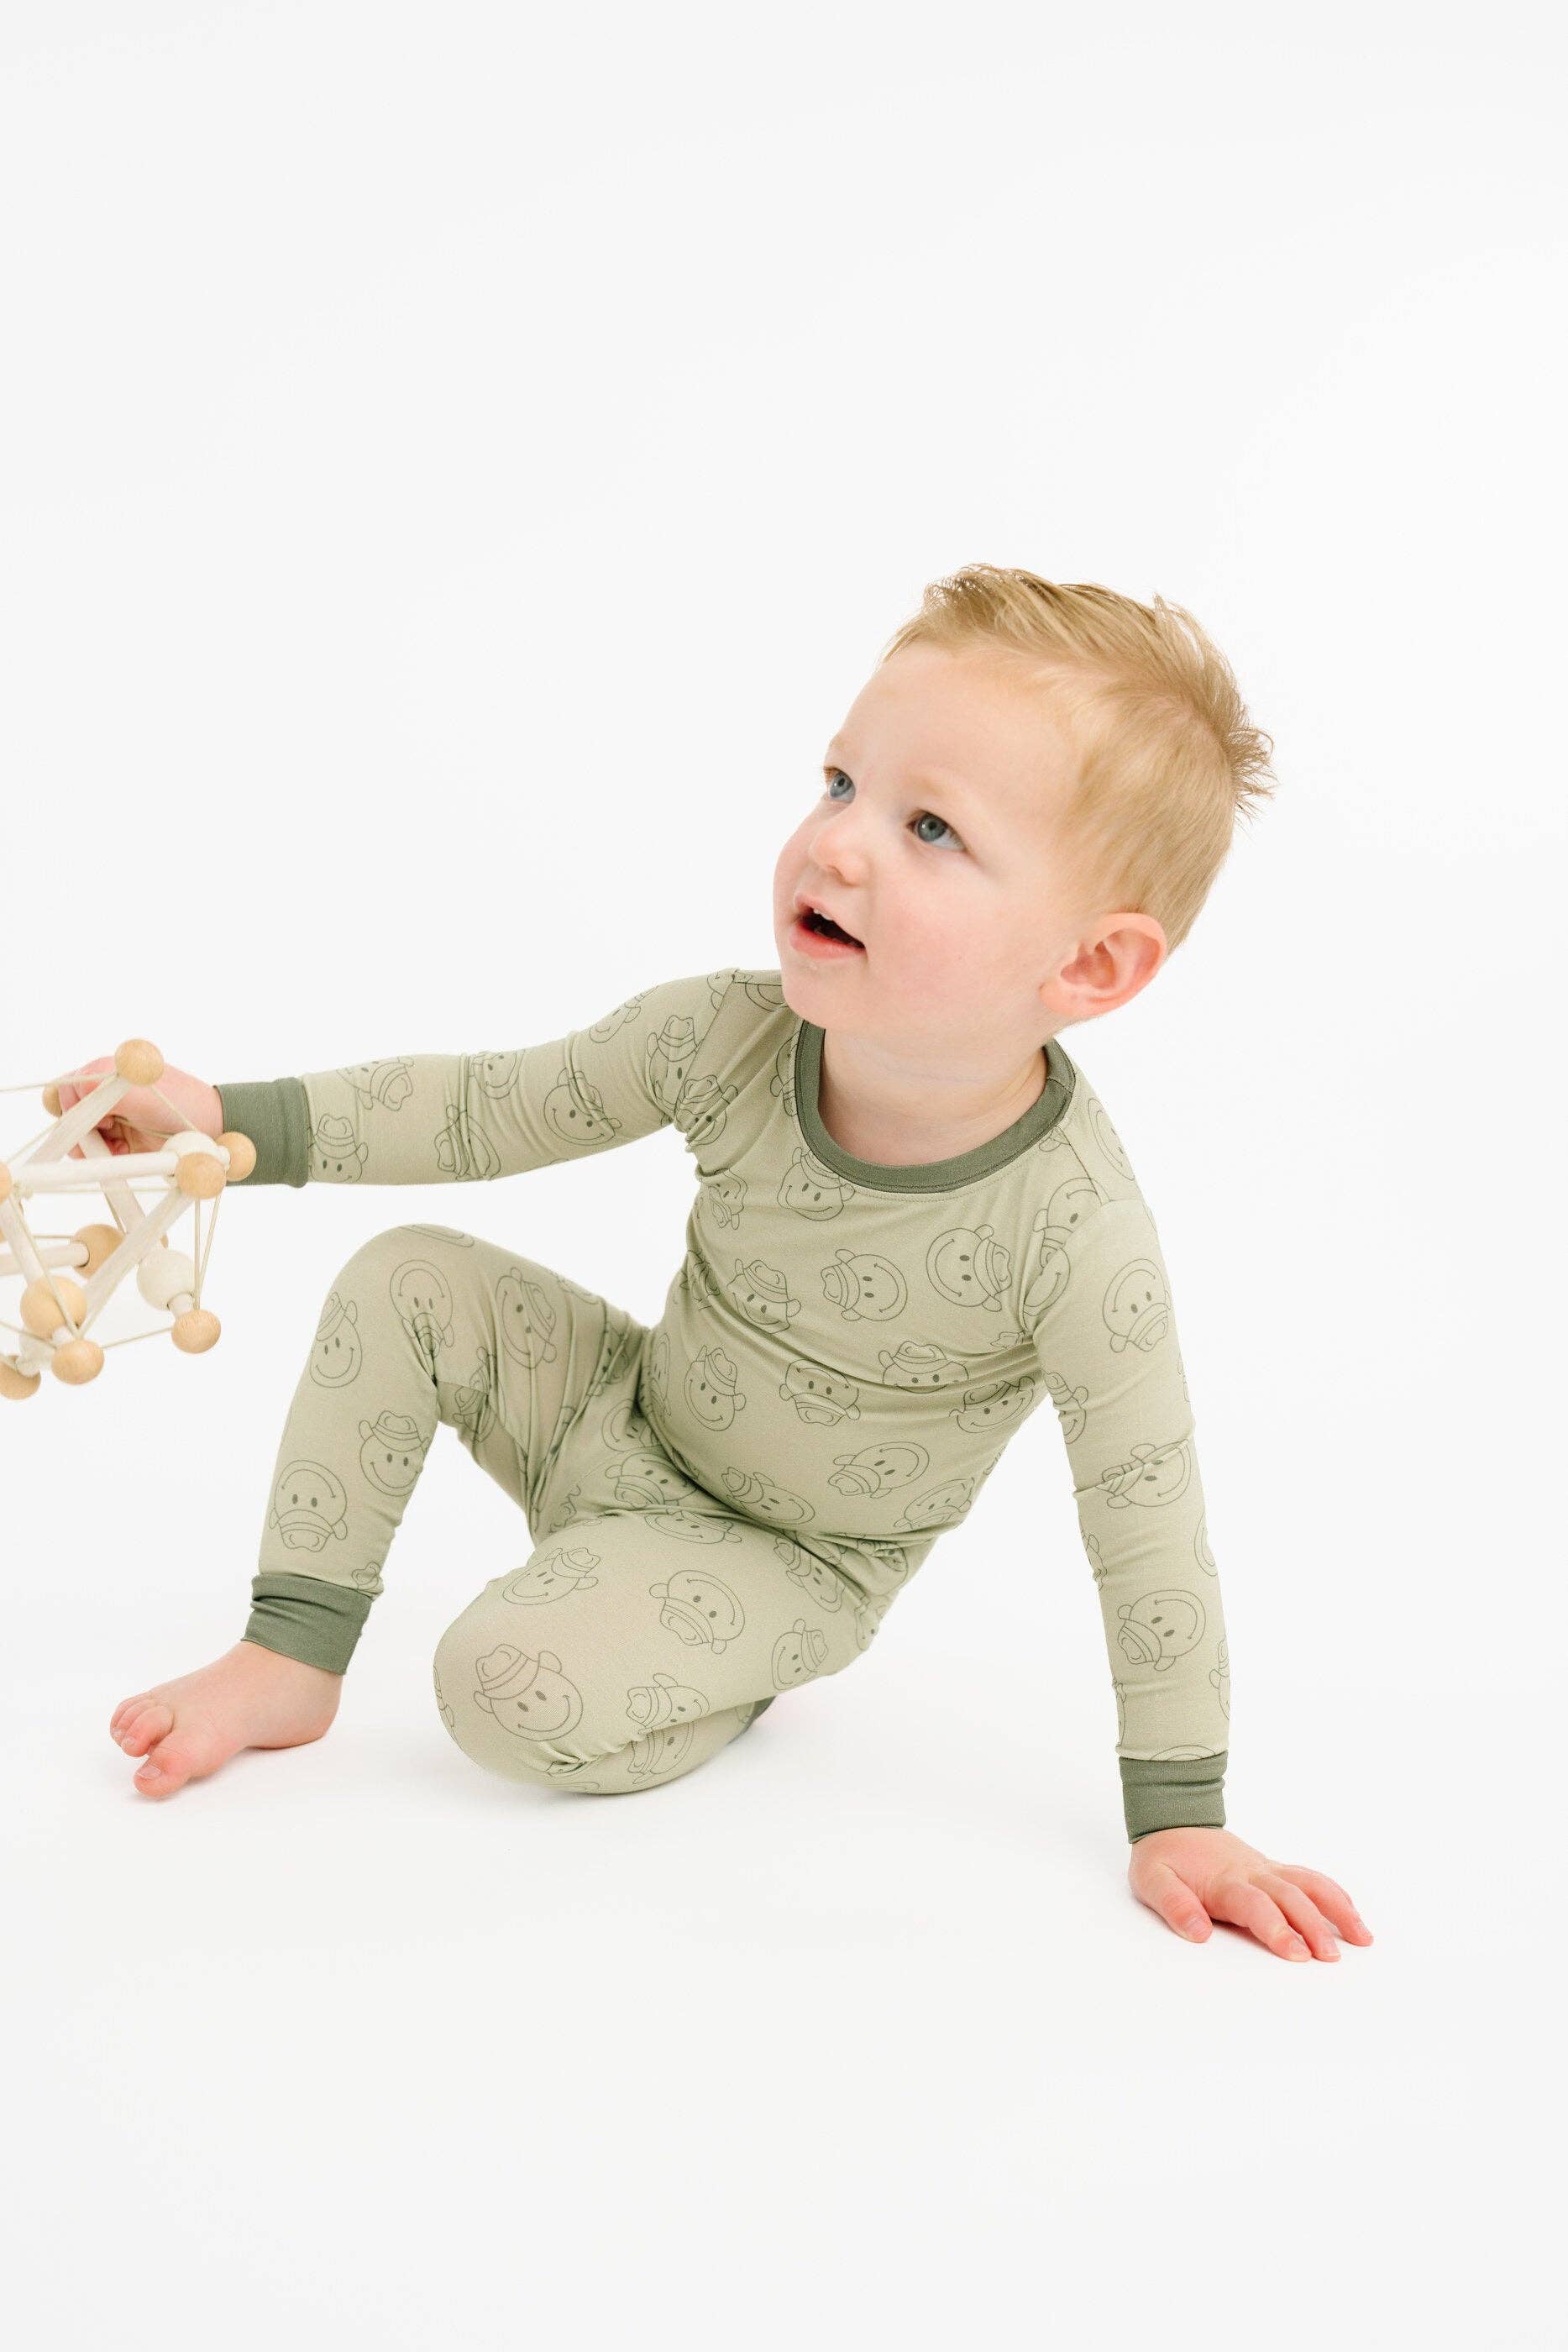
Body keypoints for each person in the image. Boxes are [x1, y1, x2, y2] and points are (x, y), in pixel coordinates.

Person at [70, 564, 1371, 1962]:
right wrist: (228, 1125)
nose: (839, 845)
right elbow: (486, 1107)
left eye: (931, 827)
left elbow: (1146, 1519)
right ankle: (289, 1653)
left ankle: (706, 1663)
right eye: (840, 783)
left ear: (1093, 967)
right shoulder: (727, 1036)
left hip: (793, 1560)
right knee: (406, 1278)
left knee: (501, 1686)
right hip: (623, 1417)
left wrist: (1181, 1815)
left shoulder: (1075, 1236)